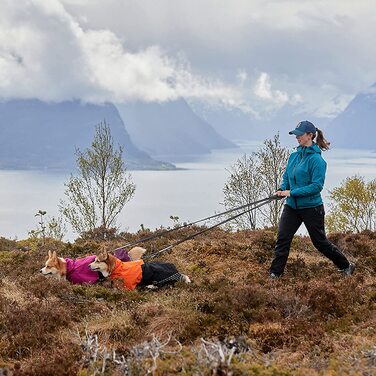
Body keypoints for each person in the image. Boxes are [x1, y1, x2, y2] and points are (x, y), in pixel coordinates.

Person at [269, 120, 355, 279]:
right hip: (292, 207)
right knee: (282, 239)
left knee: (320, 243)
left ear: (310, 135)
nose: (297, 138)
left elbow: (316, 186)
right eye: (296, 135)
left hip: (311, 208)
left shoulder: (317, 161)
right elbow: (287, 176)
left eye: (300, 135)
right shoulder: (294, 156)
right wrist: (282, 189)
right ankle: (275, 274)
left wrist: (291, 192)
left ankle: (346, 266)